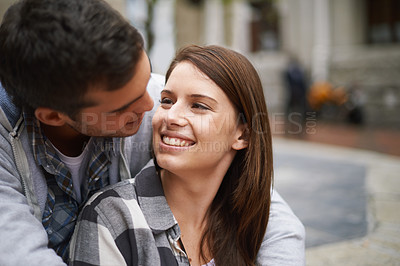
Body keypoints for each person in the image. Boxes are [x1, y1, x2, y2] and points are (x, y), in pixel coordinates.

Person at [0, 0, 303, 265]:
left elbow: (255, 196)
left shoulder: (149, 96)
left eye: (151, 87)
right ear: (54, 116)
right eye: (126, 106)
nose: (154, 109)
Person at [70, 45, 305, 266]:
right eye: (166, 101)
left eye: (199, 106)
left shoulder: (254, 222)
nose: (171, 116)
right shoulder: (111, 217)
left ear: (242, 135)